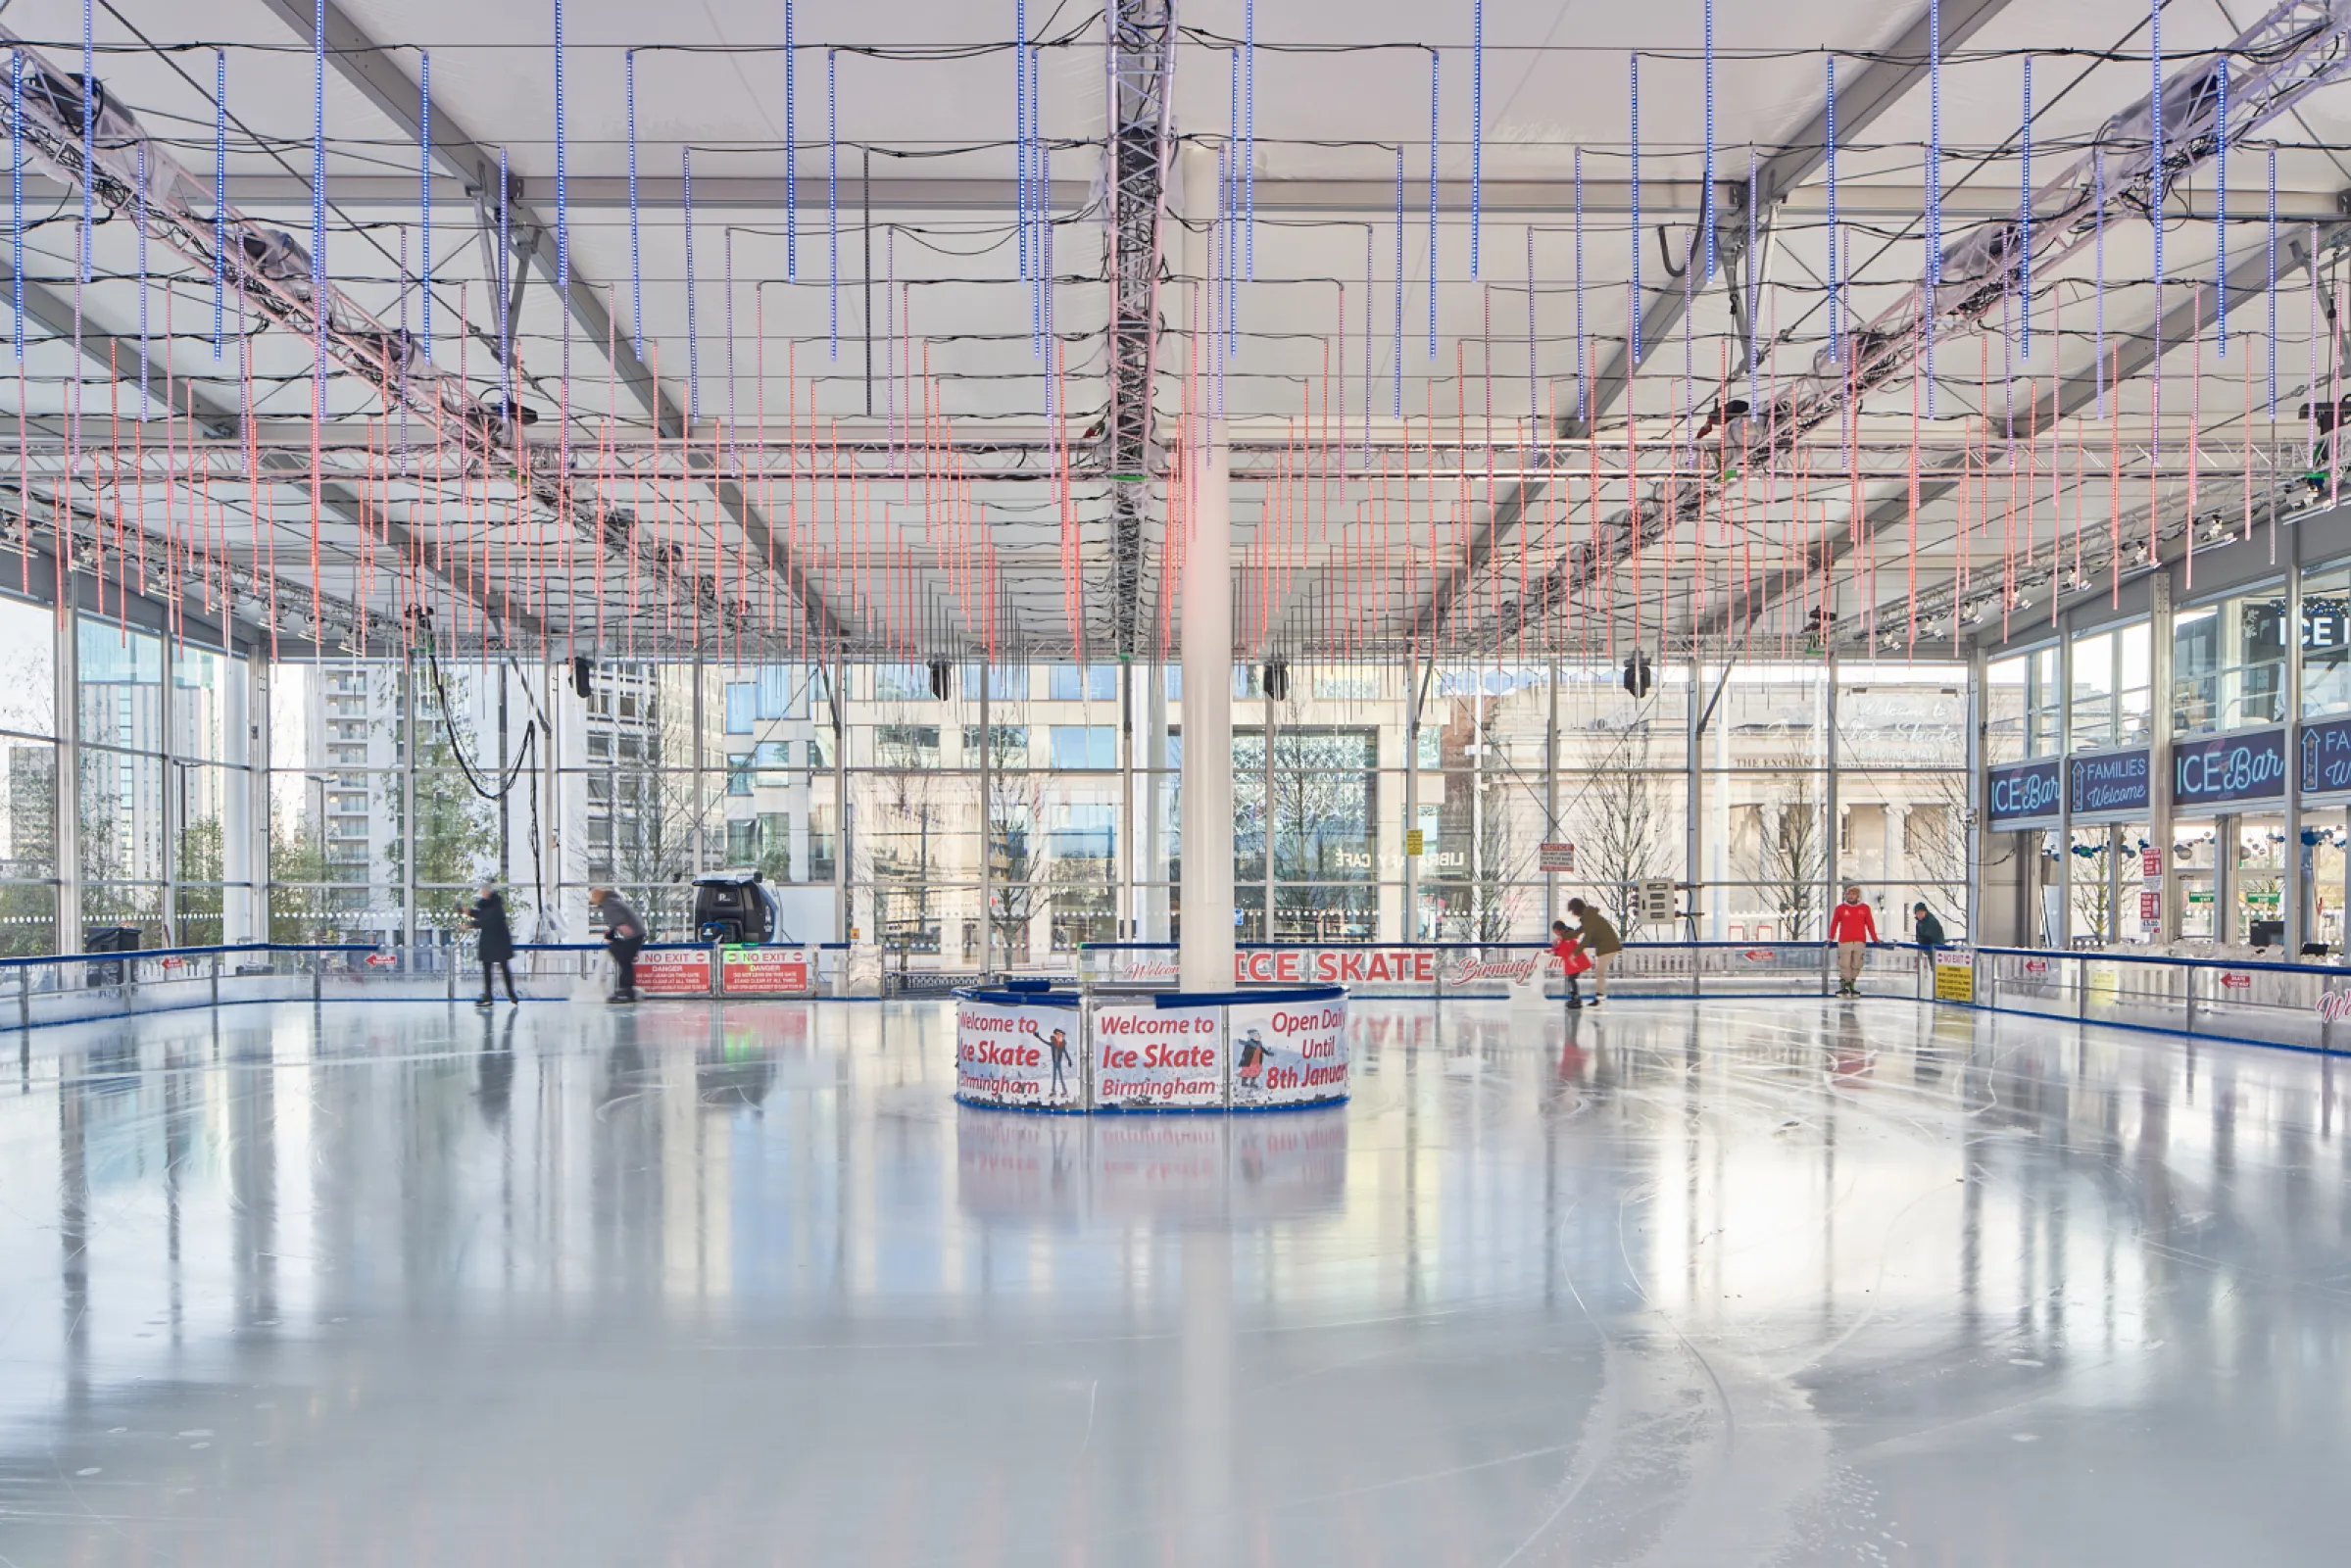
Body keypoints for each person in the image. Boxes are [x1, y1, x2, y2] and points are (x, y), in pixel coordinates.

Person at [466, 881, 518, 1007]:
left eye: (483, 891)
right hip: (493, 940)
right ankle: (490, 995)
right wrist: (468, 912)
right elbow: (483, 915)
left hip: (497, 940)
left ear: (488, 892)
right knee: (491, 967)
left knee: (501, 967)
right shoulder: (490, 904)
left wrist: (470, 924)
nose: (482, 893)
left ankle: (508, 993)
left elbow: (487, 919)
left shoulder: (495, 905)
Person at [590, 886, 647, 1003]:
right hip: (637, 933)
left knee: (623, 960)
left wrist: (621, 937)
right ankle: (626, 989)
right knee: (624, 961)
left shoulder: (609, 906)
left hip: (634, 935)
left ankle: (625, 989)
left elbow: (620, 922)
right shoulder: (613, 902)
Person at [1564, 898, 1622, 1005]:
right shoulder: (1589, 917)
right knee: (1599, 972)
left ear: (1576, 909)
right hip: (1606, 946)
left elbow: (1586, 940)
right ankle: (1599, 996)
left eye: (1572, 911)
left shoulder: (1589, 918)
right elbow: (1578, 932)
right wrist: (1563, 936)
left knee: (1600, 972)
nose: (1572, 914)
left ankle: (1600, 997)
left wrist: (1574, 954)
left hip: (1608, 946)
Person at [1828, 884, 1879, 997]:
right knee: (1844, 963)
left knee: (1857, 963)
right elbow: (1834, 924)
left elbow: (1870, 924)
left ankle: (1851, 983)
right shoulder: (1840, 909)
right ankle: (1845, 984)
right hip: (1845, 940)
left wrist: (1875, 938)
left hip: (1859, 940)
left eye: (1853, 894)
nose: (1851, 896)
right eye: (1849, 894)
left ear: (1857, 896)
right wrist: (1831, 937)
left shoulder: (1864, 908)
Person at [1549, 919, 1592, 1010]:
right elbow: (1562, 947)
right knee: (1571, 979)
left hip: (1576, 964)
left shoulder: (1568, 938)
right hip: (1574, 963)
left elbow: (1566, 950)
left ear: (1561, 930)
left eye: (1557, 932)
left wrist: (1554, 952)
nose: (1556, 934)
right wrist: (1553, 950)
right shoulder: (1566, 937)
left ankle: (1576, 997)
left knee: (1571, 979)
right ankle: (1575, 997)